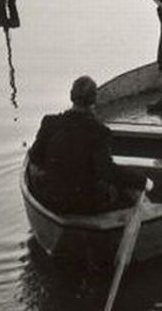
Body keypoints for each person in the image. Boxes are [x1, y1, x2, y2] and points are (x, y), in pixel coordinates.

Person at [27, 75, 149, 214]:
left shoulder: (49, 122)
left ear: (71, 96)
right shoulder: (99, 131)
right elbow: (106, 171)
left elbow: (35, 157)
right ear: (94, 100)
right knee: (126, 192)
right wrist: (142, 181)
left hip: (51, 200)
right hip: (84, 204)